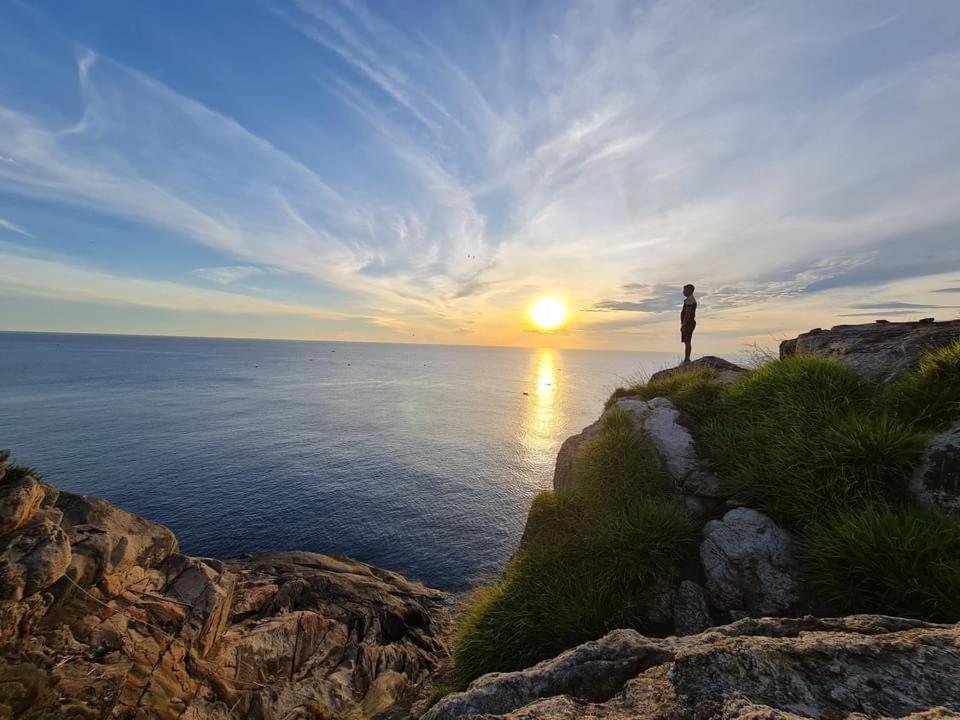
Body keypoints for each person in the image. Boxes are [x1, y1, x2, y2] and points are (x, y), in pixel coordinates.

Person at [680, 284, 697, 363]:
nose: (683, 292)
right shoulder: (689, 300)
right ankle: (687, 358)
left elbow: (688, 314)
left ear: (690, 290)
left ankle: (687, 359)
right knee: (687, 341)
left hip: (688, 324)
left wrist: (684, 324)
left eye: (685, 290)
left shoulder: (690, 300)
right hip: (689, 323)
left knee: (687, 341)